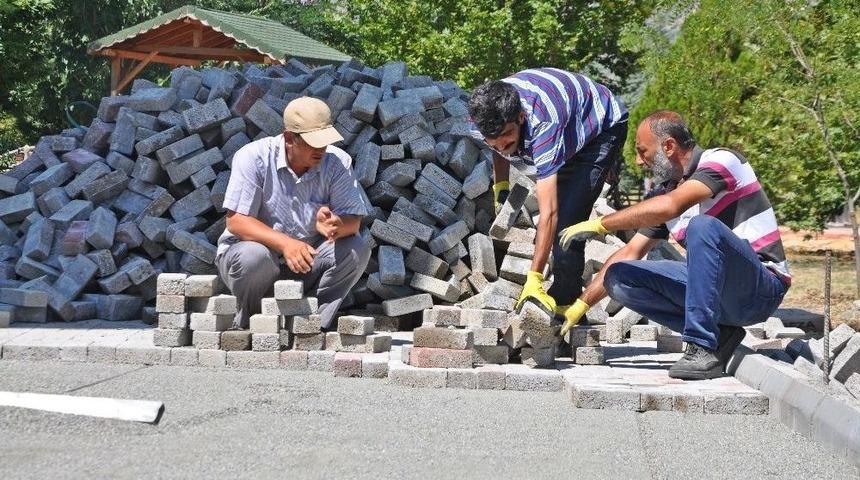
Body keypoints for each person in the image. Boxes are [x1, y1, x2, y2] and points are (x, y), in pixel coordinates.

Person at [557, 110, 791, 380]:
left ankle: (701, 347)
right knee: (619, 277)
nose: (638, 161)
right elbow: (630, 251)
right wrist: (579, 306)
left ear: (668, 146)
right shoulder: (666, 191)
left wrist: (601, 224)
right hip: (720, 293)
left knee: (702, 227)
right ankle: (720, 335)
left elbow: (671, 206)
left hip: (760, 288)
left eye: (642, 151)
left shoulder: (722, 160)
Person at [467, 68, 628, 321]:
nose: (503, 148)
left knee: (567, 224)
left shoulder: (543, 125)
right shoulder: (480, 120)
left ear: (520, 117)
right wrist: (501, 187)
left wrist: (534, 278)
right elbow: (499, 150)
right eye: (493, 141)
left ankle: (566, 307)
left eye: (508, 139)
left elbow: (549, 213)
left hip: (601, 124)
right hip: (564, 115)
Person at [216, 97, 371, 330]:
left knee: (357, 249)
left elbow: (353, 223)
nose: (321, 149)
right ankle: (251, 324)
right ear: (289, 138)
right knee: (254, 257)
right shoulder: (253, 157)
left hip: (306, 264)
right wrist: (286, 244)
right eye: (312, 143)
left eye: (325, 141)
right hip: (255, 267)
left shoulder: (337, 162)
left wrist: (335, 225)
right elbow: (237, 221)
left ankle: (310, 325)